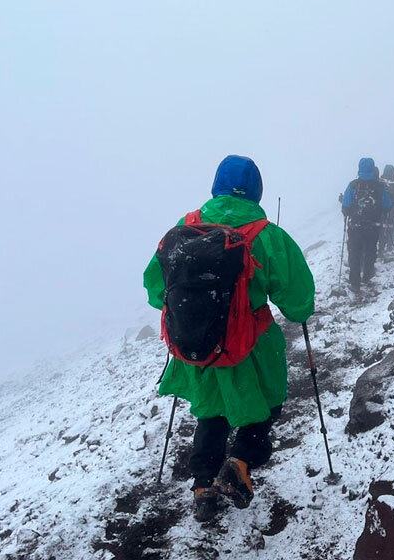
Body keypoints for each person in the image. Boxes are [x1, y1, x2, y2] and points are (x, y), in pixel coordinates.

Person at [143, 155, 315, 522]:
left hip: (199, 346)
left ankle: (203, 485)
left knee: (211, 412)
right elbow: (297, 299)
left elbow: (155, 287)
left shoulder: (186, 227)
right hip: (250, 344)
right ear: (256, 190)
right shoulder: (266, 234)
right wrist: (299, 310)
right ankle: (240, 462)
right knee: (266, 403)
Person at [341, 157, 391, 293]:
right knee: (370, 250)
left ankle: (355, 282)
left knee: (355, 252)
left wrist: (346, 212)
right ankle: (368, 276)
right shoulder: (380, 186)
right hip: (373, 225)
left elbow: (346, 205)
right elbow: (387, 205)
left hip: (355, 226)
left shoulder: (353, 185)